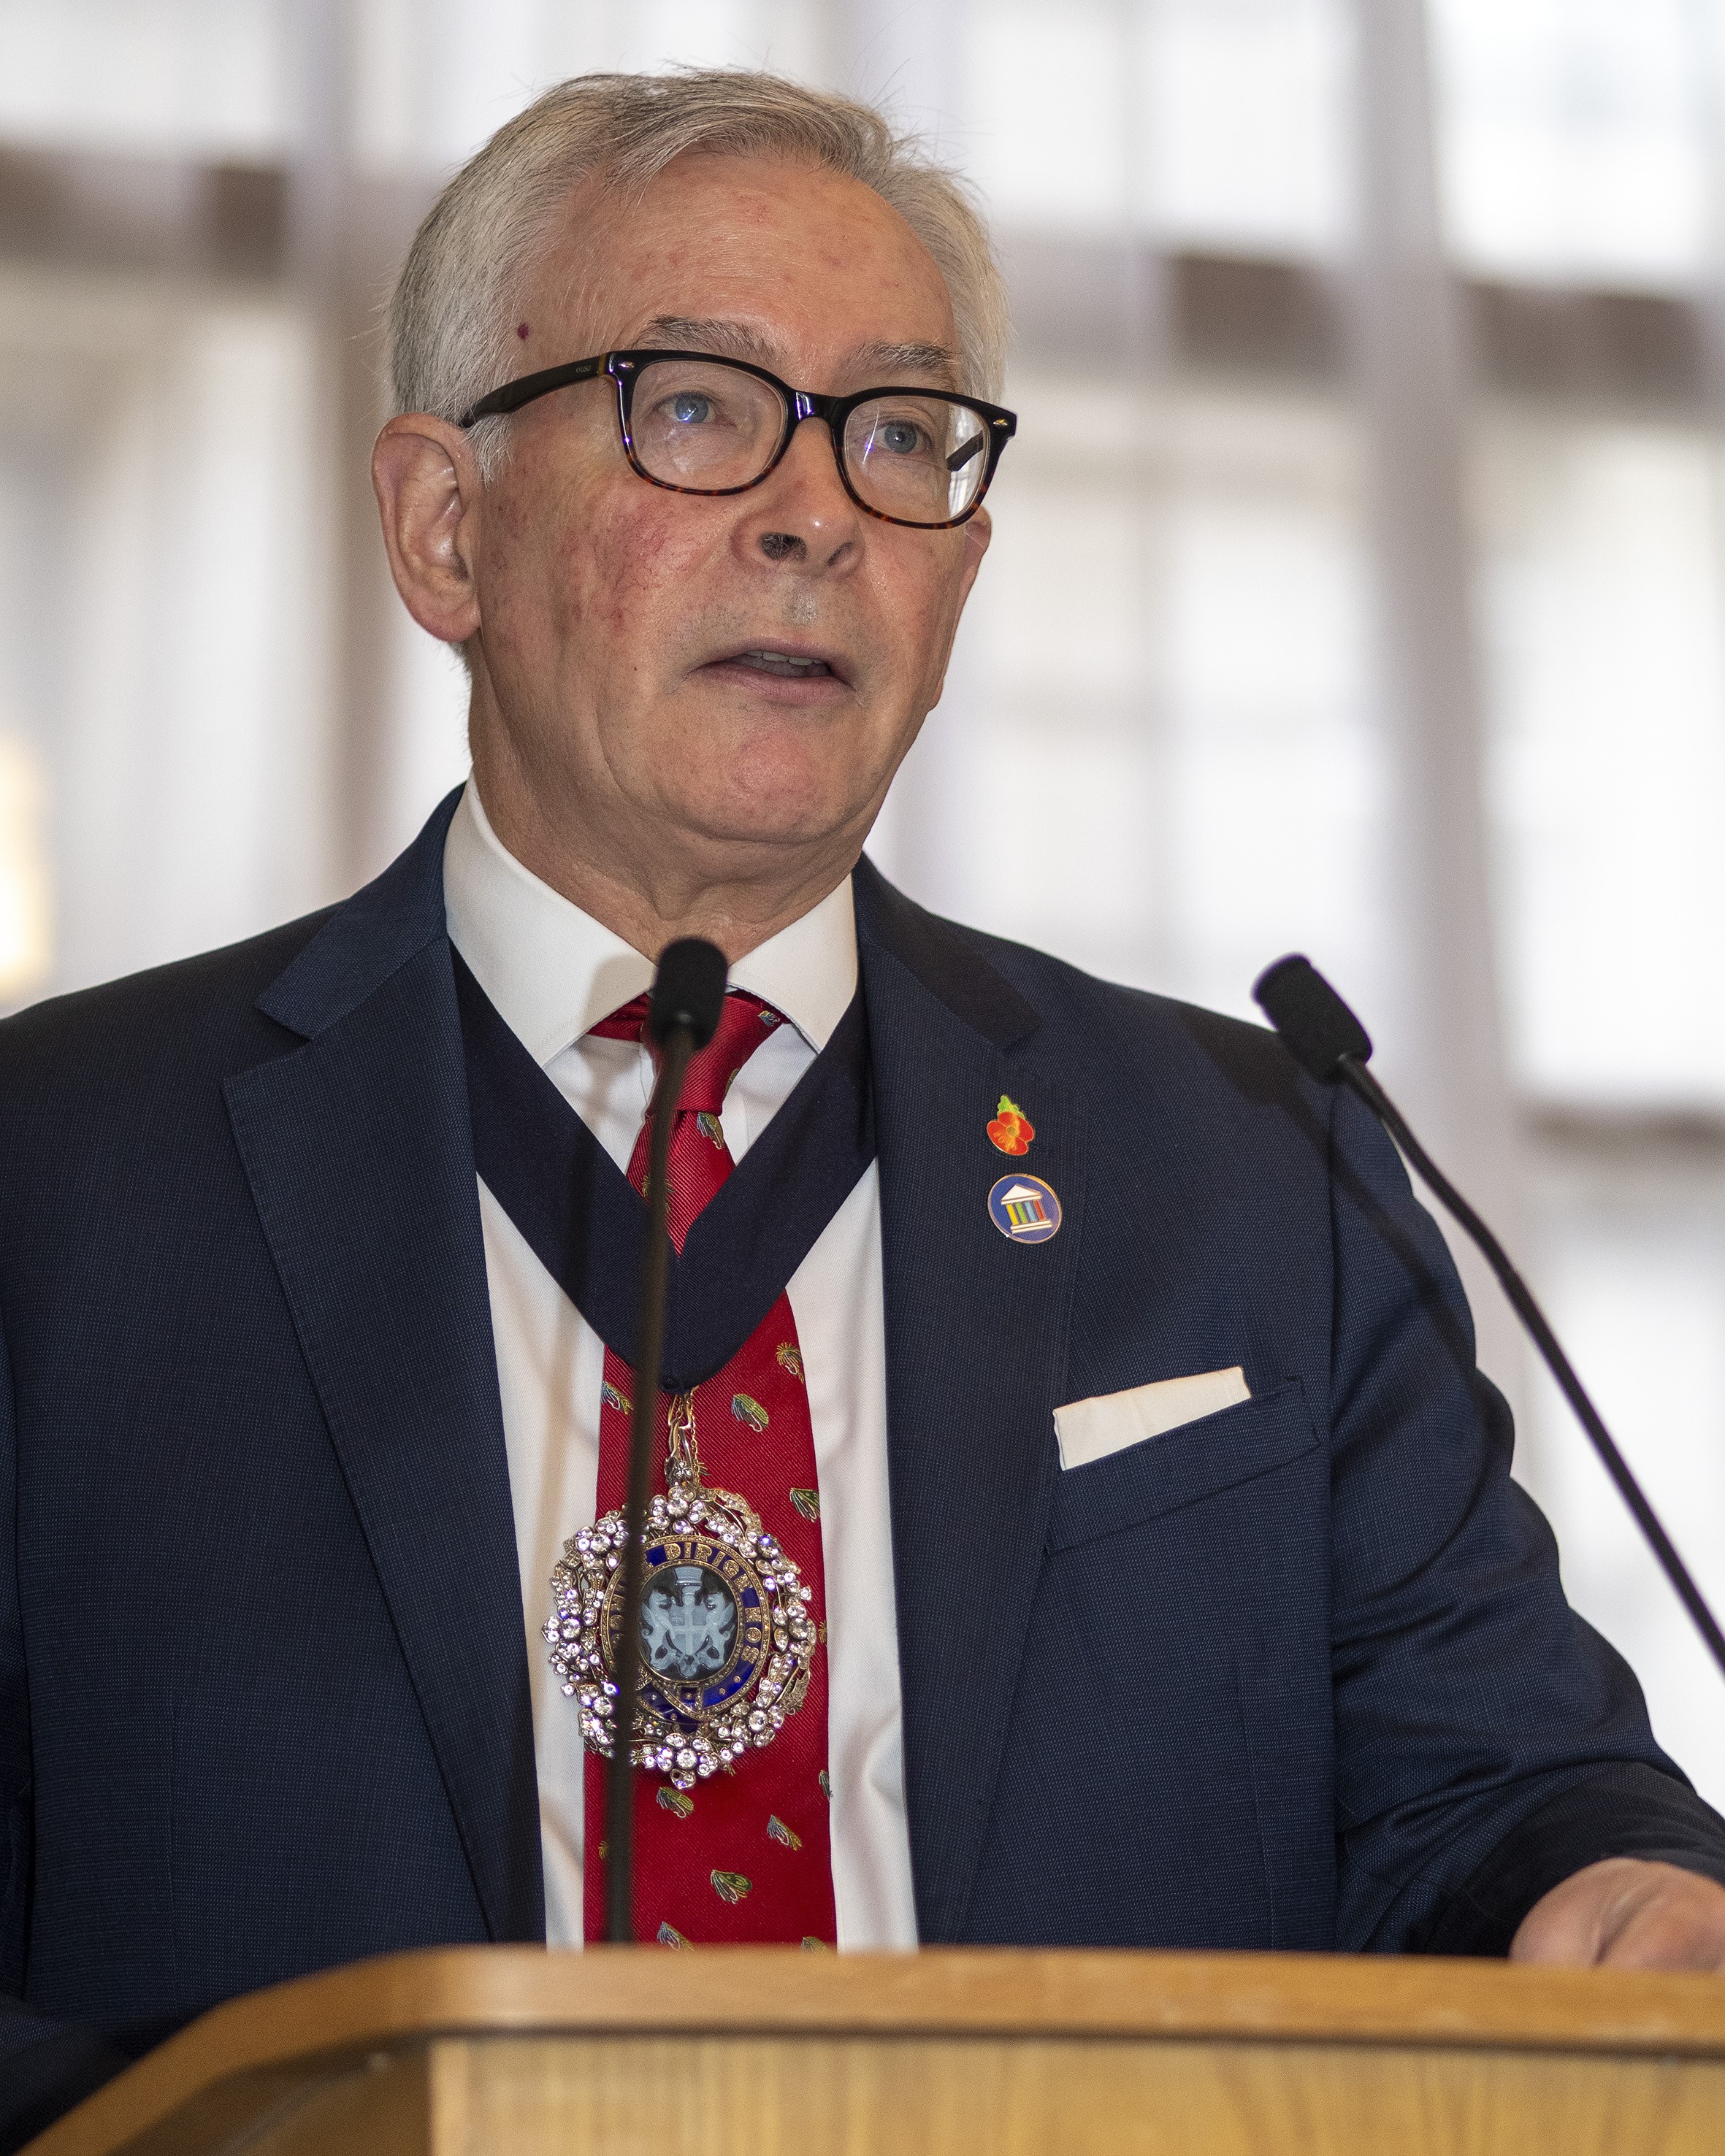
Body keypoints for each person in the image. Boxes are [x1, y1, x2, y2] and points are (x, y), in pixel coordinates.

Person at [3, 66, 1724, 2149]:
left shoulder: (1253, 1164)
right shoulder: (57, 1183)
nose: (819, 511)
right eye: (697, 406)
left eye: (900, 434)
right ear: (444, 528)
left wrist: (1616, 1891)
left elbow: (1499, 1792)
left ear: (962, 568)